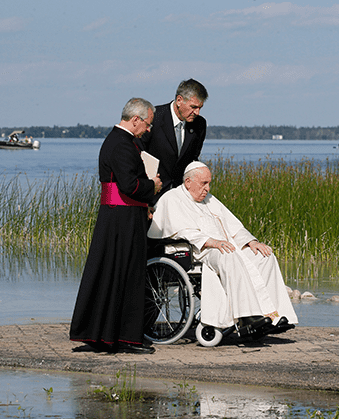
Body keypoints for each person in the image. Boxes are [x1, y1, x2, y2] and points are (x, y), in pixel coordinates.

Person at [147, 161, 297, 335]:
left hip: (225, 246)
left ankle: (275, 315)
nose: (208, 189)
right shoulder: (171, 199)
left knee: (264, 256)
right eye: (204, 183)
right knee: (228, 255)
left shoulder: (209, 200)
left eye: (209, 183)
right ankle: (247, 316)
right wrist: (211, 242)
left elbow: (233, 226)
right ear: (188, 182)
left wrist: (251, 242)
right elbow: (182, 232)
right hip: (199, 252)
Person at [70, 97, 162, 354]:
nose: (148, 130)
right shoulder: (122, 145)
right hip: (122, 219)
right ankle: (124, 338)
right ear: (136, 119)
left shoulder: (120, 141)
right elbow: (130, 186)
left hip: (117, 216)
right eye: (147, 124)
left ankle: (101, 334)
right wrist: (152, 185)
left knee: (108, 274)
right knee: (127, 275)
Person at [139, 79, 208, 199]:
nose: (197, 112)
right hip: (152, 195)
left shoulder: (200, 124)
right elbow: (138, 155)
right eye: (193, 107)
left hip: (182, 197)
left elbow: (193, 160)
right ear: (179, 100)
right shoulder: (153, 117)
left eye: (200, 108)